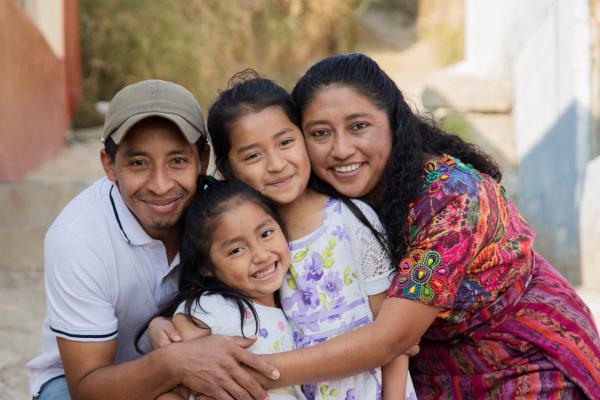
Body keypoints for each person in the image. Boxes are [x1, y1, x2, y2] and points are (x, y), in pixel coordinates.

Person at [249, 52, 600, 399]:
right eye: (320, 133)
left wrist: (246, 372)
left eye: (359, 126)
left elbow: (391, 339)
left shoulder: (455, 199)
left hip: (525, 361)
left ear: (394, 122)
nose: (341, 149)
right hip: (426, 375)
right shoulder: (313, 201)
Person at [26, 79, 278, 400]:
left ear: (202, 159)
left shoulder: (219, 214)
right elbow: (86, 387)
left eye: (177, 160)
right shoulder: (77, 238)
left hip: (192, 366)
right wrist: (173, 363)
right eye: (138, 163)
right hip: (90, 381)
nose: (160, 186)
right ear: (108, 164)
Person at [201, 73, 417, 399]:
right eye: (252, 156)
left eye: (285, 142)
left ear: (302, 138)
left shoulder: (349, 221)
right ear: (228, 170)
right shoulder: (251, 248)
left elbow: (396, 341)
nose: (276, 164)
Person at [139, 177, 306, 400]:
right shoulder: (212, 307)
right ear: (206, 267)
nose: (261, 255)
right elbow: (174, 384)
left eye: (266, 234)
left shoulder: (295, 293)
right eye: (236, 250)